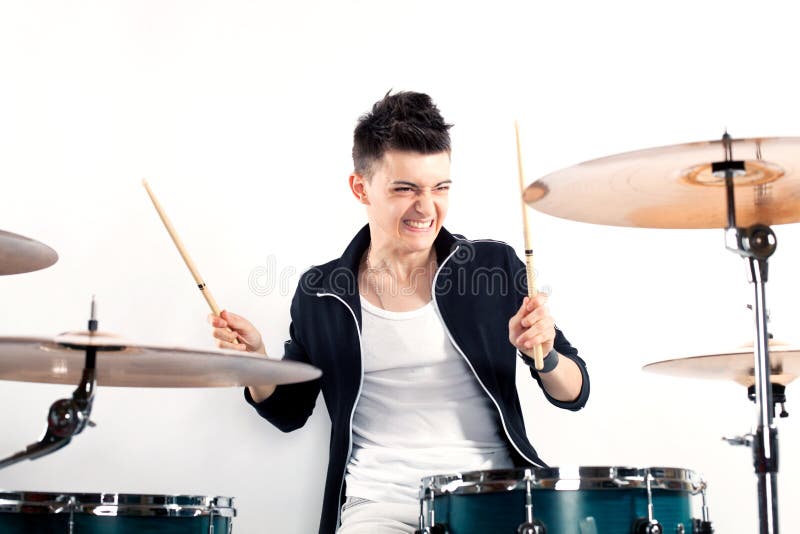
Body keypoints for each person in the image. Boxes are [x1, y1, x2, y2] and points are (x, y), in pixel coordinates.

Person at [208, 91, 589, 534]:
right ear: (360, 187)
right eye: (405, 189)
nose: (426, 208)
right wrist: (254, 360)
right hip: (380, 506)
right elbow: (290, 412)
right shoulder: (321, 291)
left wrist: (545, 356)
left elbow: (574, 391)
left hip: (494, 497)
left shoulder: (494, 267)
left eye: (440, 188)